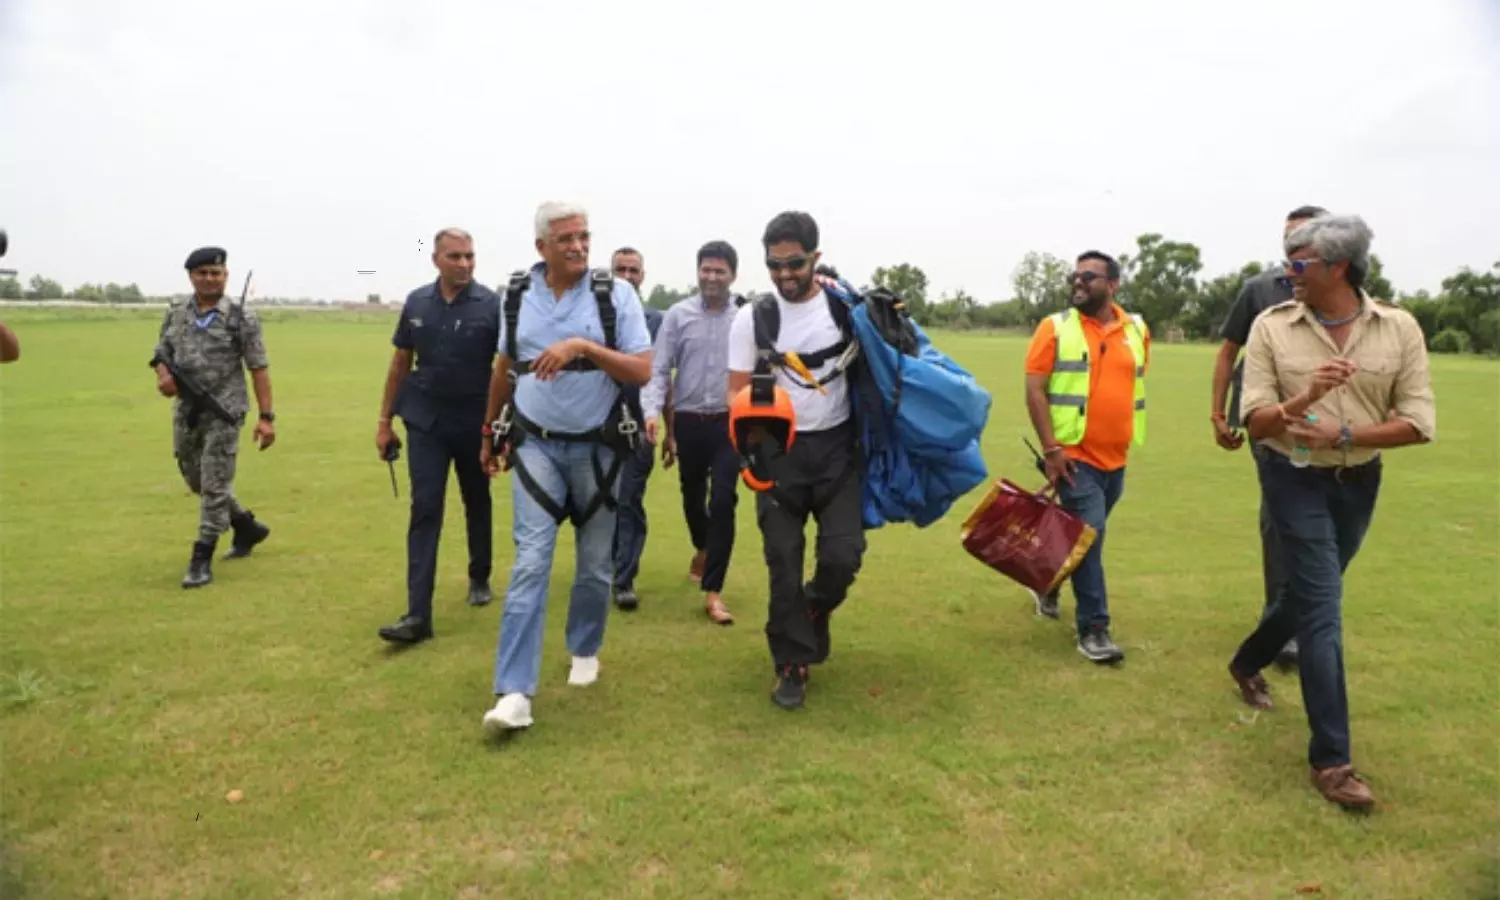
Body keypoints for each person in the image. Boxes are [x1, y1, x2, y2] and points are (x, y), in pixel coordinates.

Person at [1226, 213, 1434, 811]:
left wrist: (1343, 433)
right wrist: (1306, 396)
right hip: (1290, 476)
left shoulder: (1398, 328)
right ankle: (1334, 763)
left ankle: (1246, 660)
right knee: (1323, 609)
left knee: (1309, 595)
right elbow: (1257, 420)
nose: (1287, 273)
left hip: (1358, 478)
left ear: (1338, 266)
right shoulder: (1272, 326)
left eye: (1299, 263)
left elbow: (1418, 423)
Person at [479, 201, 653, 733]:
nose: (577, 246)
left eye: (583, 237)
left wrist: (583, 346)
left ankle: (584, 646)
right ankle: (514, 693)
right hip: (536, 446)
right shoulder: (516, 297)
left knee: (596, 564)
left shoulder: (615, 296)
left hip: (600, 448)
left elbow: (643, 370)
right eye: (565, 240)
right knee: (531, 561)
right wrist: (490, 430)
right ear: (541, 248)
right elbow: (505, 368)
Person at [726, 211, 866, 710]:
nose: (784, 274)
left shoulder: (846, 311)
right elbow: (737, 391)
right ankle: (790, 664)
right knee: (782, 562)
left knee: (842, 557)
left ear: (816, 258)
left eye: (795, 263)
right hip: (777, 453)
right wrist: (750, 456)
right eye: (774, 265)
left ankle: (812, 609)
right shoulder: (753, 317)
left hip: (837, 451)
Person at [1211, 205, 1328, 671]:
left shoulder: (1342, 290)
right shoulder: (1260, 290)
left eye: (1304, 235)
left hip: (1325, 421)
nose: (1292, 244)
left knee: (1321, 517)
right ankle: (1282, 626)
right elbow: (1227, 353)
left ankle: (1305, 610)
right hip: (1268, 421)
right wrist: (1218, 412)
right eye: (1287, 236)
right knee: (1280, 515)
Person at [1023, 250, 1149, 664]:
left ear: (1112, 285)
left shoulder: (1138, 330)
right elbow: (1035, 390)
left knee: (1081, 537)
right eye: (1074, 276)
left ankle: (1048, 584)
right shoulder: (1054, 328)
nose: (1078, 282)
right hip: (1073, 457)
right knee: (1090, 539)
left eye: (1089, 277)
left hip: (1117, 457)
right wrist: (1052, 450)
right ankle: (1095, 630)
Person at [375, 227, 500, 646]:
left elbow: (504, 370)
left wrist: (500, 427)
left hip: (474, 421)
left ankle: (479, 574)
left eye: (469, 256)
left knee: (477, 500)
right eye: (455, 257)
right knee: (425, 509)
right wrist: (384, 421)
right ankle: (417, 614)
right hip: (426, 421)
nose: (464, 264)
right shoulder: (416, 303)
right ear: (436, 260)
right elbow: (400, 363)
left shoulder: (491, 305)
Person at [149, 246, 276, 588]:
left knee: (215, 484)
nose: (209, 279)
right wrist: (163, 375)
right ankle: (246, 527)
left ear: (226, 276)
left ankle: (201, 558)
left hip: (225, 411)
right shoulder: (176, 311)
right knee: (196, 481)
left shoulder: (240, 317)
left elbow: (259, 368)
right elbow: (161, 352)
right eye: (203, 273)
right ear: (191, 276)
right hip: (187, 411)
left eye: (216, 273)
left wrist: (267, 417)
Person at [642, 240, 744, 625]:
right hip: (687, 420)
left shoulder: (745, 318)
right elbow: (658, 368)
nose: (712, 277)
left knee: (723, 500)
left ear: (733, 275)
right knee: (692, 498)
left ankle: (714, 592)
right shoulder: (678, 316)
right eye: (706, 269)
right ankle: (703, 546)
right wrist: (652, 413)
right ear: (697, 271)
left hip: (727, 422)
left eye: (720, 271)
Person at [608, 246, 667, 611]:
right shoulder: (593, 318)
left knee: (628, 499)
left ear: (642, 276)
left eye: (634, 270)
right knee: (599, 502)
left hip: (638, 423)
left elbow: (663, 378)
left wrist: (667, 425)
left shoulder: (657, 323)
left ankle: (623, 578)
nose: (628, 276)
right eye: (620, 270)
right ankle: (602, 568)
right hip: (594, 424)